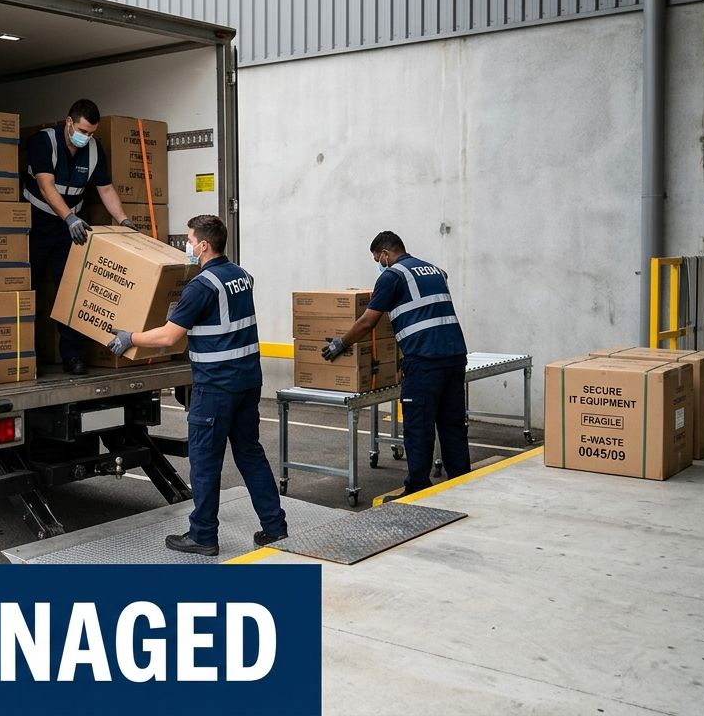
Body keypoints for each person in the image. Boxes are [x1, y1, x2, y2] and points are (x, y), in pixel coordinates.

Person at [107, 215, 288, 556]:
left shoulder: (202, 286)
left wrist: (129, 337)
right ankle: (275, 527)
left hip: (216, 387)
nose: (187, 246)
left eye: (190, 240)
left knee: (205, 461)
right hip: (248, 382)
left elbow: (169, 336)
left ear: (204, 245)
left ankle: (203, 535)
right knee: (250, 454)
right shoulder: (240, 276)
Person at [322, 231, 469, 499]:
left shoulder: (392, 276)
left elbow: (368, 321)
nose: (378, 263)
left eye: (378, 258)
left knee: (418, 427)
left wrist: (341, 343)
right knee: (452, 425)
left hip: (425, 362)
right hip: (455, 356)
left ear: (386, 254)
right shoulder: (436, 271)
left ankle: (417, 490)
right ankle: (463, 485)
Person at [23, 99, 137, 376]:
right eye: (83, 131)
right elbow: (46, 186)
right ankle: (26, 356)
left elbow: (106, 189)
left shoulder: (94, 150)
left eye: (91, 133)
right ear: (69, 122)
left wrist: (124, 220)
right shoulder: (43, 142)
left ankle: (72, 356)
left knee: (72, 289)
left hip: (71, 229)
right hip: (36, 224)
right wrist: (69, 217)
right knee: (30, 288)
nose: (86, 137)